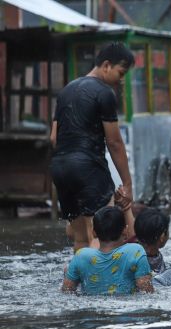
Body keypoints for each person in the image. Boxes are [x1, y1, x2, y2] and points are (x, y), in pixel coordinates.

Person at [50, 42, 135, 251]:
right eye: (121, 73)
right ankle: (100, 283)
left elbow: (54, 137)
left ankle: (78, 282)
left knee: (80, 238)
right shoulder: (104, 93)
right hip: (88, 168)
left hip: (60, 168)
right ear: (106, 65)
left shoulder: (66, 91)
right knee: (103, 234)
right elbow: (114, 142)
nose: (121, 80)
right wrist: (127, 183)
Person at [61, 192, 154, 295]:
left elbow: (66, 291)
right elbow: (146, 291)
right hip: (126, 307)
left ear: (94, 233)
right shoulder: (135, 252)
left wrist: (67, 275)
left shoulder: (81, 256)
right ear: (125, 231)